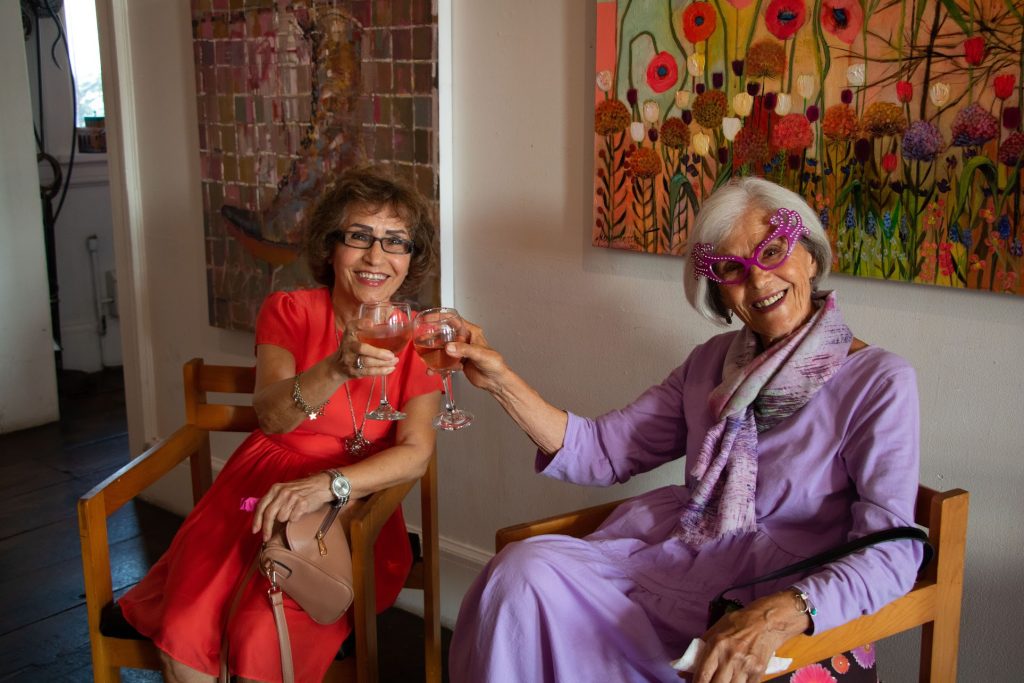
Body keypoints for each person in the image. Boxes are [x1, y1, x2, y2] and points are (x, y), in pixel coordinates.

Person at [447, 177, 923, 683]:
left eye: (774, 250)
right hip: (678, 559)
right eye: (733, 270)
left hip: (776, 589)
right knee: (520, 574)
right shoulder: (711, 363)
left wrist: (780, 613)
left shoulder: (879, 381)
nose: (759, 282)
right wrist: (500, 381)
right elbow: (604, 452)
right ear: (718, 289)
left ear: (809, 254)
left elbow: (892, 547)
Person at [119, 166, 442, 683]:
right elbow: (271, 415)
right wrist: (336, 368)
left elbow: (416, 451)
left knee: (258, 636)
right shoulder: (289, 310)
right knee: (184, 639)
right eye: (359, 236)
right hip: (252, 496)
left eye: (395, 242)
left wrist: (327, 485)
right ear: (331, 247)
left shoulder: (417, 337)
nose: (376, 256)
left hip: (347, 509)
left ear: (411, 257)